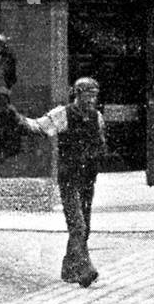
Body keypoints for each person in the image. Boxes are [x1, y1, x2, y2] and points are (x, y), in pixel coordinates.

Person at [23, 77, 107, 287]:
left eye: (95, 95)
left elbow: (101, 143)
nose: (92, 100)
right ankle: (84, 269)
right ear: (77, 94)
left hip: (88, 180)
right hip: (69, 178)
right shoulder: (63, 114)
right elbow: (39, 127)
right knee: (77, 225)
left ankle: (68, 270)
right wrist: (17, 119)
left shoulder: (97, 117)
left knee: (85, 226)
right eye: (88, 95)